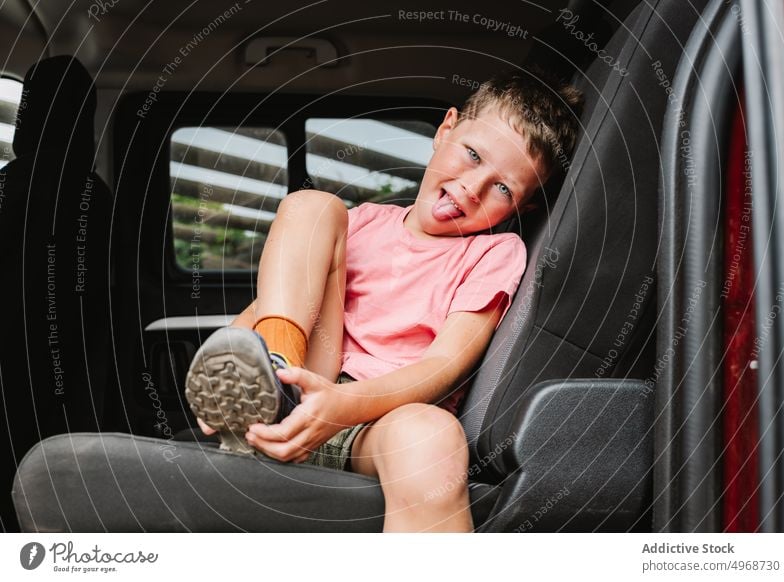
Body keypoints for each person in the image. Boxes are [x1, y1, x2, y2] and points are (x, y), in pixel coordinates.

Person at [185, 71, 582, 533]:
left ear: (522, 209)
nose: (473, 187)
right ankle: (274, 375)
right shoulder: (362, 221)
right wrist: (233, 361)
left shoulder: (493, 252)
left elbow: (444, 366)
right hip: (307, 373)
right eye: (472, 155)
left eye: (503, 189)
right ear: (445, 129)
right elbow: (273, 303)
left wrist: (342, 404)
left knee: (432, 438)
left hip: (377, 420)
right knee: (312, 207)